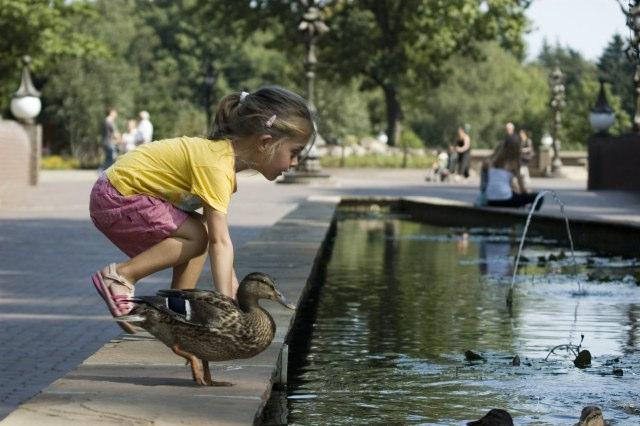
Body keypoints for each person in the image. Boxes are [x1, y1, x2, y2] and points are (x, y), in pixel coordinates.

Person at [89, 86, 314, 334]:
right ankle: (120, 276)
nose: (295, 163)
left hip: (116, 192)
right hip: (117, 195)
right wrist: (232, 313)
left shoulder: (219, 161)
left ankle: (174, 315)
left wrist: (236, 294)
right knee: (198, 236)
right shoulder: (216, 167)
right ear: (265, 142)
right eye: (295, 152)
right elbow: (221, 243)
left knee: (198, 236)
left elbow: (220, 248)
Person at [484, 137, 543, 210]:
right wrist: (527, 192)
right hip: (505, 200)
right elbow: (522, 189)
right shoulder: (514, 163)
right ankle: (530, 218)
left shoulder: (492, 161)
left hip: (490, 199)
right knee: (539, 197)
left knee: (515, 195)